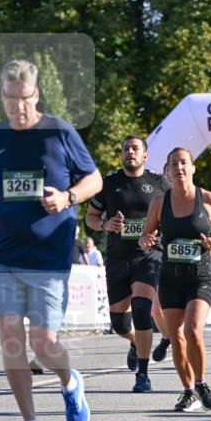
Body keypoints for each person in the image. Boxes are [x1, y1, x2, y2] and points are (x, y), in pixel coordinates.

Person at [0, 58, 102, 421]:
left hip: (48, 255)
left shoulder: (58, 131)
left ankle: (69, 381)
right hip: (3, 253)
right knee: (11, 342)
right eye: (10, 100)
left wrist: (67, 197)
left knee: (43, 344)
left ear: (36, 95)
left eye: (24, 99)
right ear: (2, 97)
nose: (17, 108)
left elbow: (93, 179)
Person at [139, 147, 211, 411]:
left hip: (199, 277)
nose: (179, 168)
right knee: (176, 337)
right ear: (167, 171)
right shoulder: (159, 202)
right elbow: (148, 235)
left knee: (192, 330)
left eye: (183, 163)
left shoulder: (207, 198)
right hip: (170, 279)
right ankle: (189, 391)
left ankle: (201, 383)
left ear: (192, 168)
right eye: (173, 164)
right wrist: (146, 239)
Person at [86, 135, 166, 392]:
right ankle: (134, 342)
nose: (130, 152)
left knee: (142, 309)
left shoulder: (159, 183)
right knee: (119, 323)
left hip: (149, 256)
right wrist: (105, 225)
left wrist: (158, 232)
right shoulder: (108, 183)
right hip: (118, 258)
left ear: (145, 155)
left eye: (135, 148)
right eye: (125, 148)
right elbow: (91, 217)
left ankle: (142, 374)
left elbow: (174, 215)